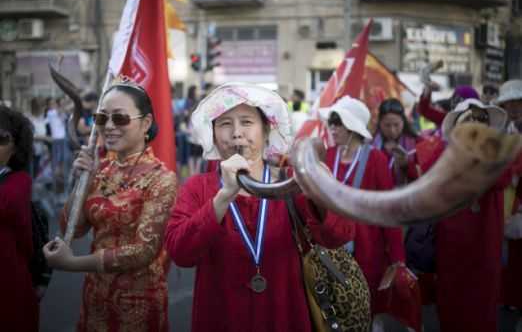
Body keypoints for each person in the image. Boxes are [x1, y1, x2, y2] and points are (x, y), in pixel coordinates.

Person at [164, 82, 354, 332]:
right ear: (213, 134)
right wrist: (223, 197)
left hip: (285, 316)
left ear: (266, 130)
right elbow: (180, 253)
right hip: (221, 318)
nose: (236, 133)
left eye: (246, 122)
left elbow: (339, 235)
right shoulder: (197, 187)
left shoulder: (291, 180)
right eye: (224, 124)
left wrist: (321, 194)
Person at [43, 77, 177, 332]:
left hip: (138, 302)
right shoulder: (100, 169)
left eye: (121, 118)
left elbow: (143, 251)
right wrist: (82, 181)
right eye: (102, 118)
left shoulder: (162, 178)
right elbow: (72, 228)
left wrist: (72, 264)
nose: (109, 126)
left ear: (146, 123)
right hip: (95, 296)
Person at [318, 96, 415, 331]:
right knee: (331, 311)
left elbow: (387, 211)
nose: (331, 127)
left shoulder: (375, 159)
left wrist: (398, 260)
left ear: (352, 126)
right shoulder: (328, 155)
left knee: (362, 310)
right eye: (330, 121)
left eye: (337, 121)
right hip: (329, 250)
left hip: (367, 252)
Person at [423, 99, 510, 332]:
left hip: (484, 248)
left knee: (482, 308)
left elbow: (502, 178)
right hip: (451, 248)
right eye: (468, 118)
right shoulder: (444, 152)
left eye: (481, 119)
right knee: (451, 306)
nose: (475, 123)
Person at [0, 105, 39, 332]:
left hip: (9, 285)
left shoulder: (19, 181)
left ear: (15, 146)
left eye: (1, 138)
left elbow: (6, 203)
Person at [494, 79, 522, 315]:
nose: (514, 108)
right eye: (509, 104)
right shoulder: (500, 133)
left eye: (518, 103)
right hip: (504, 202)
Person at [373, 98, 420, 186]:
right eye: (387, 125)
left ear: (403, 121)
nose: (392, 130)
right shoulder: (370, 146)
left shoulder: (417, 143)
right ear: (379, 123)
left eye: (396, 125)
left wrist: (407, 164)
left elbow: (425, 177)